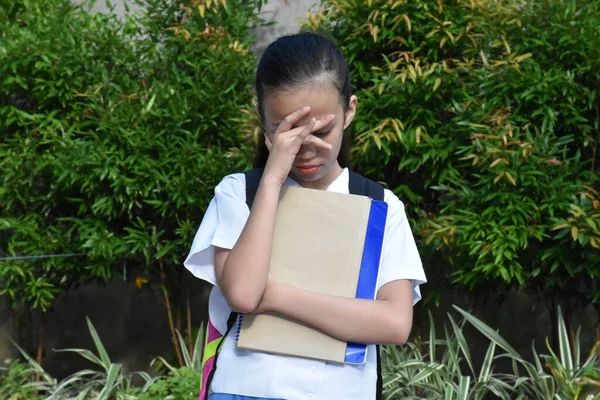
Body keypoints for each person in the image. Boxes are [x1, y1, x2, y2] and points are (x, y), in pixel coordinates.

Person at [183, 31, 427, 400]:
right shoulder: (240, 192)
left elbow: (395, 324)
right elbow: (245, 295)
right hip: (243, 390)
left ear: (350, 111)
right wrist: (272, 180)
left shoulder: (379, 205)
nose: (307, 149)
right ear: (263, 123)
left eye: (322, 130)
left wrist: (276, 295)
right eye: (290, 132)